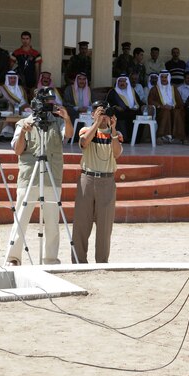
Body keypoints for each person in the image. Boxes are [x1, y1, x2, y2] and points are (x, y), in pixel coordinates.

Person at [5, 89, 72, 266]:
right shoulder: (24, 123)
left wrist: (67, 117)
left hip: (52, 175)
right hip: (29, 177)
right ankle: (13, 258)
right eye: (47, 102)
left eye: (52, 101)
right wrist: (23, 133)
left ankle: (50, 259)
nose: (50, 105)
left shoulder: (58, 122)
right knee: (21, 218)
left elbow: (69, 135)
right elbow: (18, 150)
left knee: (52, 222)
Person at [72, 101, 123, 264]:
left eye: (105, 113)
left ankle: (102, 261)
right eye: (98, 112)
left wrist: (113, 128)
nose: (102, 116)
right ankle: (79, 261)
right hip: (87, 178)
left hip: (107, 180)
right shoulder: (86, 129)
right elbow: (84, 142)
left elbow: (117, 153)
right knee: (81, 223)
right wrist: (96, 122)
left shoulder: (116, 134)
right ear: (93, 114)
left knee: (105, 226)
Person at [148, 70, 187, 145]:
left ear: (168, 78)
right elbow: (151, 101)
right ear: (159, 78)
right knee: (166, 112)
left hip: (173, 108)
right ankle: (160, 136)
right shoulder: (154, 89)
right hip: (160, 110)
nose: (164, 79)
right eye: (162, 77)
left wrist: (173, 107)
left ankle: (181, 137)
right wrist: (161, 106)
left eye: (165, 77)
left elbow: (180, 101)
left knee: (178, 112)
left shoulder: (173, 88)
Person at [107, 74, 142, 142]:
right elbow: (108, 103)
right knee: (121, 115)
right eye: (120, 81)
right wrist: (116, 107)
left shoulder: (132, 91)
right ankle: (124, 138)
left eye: (124, 81)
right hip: (120, 111)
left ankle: (136, 139)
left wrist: (139, 106)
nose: (122, 83)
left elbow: (138, 102)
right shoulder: (113, 91)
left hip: (132, 111)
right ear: (117, 82)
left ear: (127, 83)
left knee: (139, 115)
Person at [0, 71, 30, 138]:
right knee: (9, 108)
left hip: (22, 107)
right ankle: (5, 133)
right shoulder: (2, 88)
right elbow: (5, 100)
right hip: (9, 106)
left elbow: (24, 101)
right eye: (11, 78)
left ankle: (26, 134)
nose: (13, 80)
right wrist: (15, 105)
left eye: (14, 78)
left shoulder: (20, 88)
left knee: (30, 110)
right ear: (7, 79)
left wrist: (25, 107)